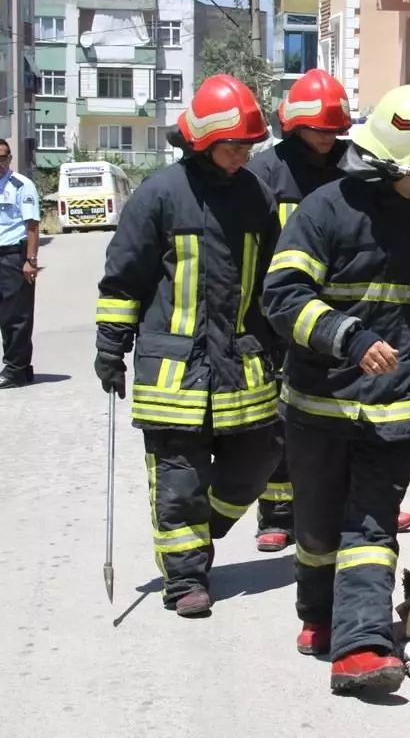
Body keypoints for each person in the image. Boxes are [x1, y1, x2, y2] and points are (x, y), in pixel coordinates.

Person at [262, 84, 410, 694]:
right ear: (398, 159)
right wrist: (347, 336)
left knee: (370, 527)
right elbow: (281, 297)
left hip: (395, 406)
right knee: (318, 527)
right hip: (319, 405)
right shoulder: (322, 211)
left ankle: (361, 645)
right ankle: (319, 617)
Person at [93, 74, 282, 617]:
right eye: (234, 145)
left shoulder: (256, 196)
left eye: (249, 145)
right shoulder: (160, 195)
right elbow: (123, 278)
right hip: (173, 370)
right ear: (202, 140)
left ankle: (203, 533)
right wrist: (111, 345)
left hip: (240, 364)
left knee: (260, 456)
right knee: (178, 480)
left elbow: (273, 281)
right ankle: (186, 580)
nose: (243, 154)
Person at [245, 70, 410, 553]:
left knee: (355, 416)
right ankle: (278, 513)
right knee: (286, 420)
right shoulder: (265, 174)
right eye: (317, 130)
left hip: (347, 317)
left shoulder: (352, 167)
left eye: (333, 130)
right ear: (294, 126)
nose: (326, 139)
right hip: (284, 311)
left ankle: (363, 504)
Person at [0, 140, 41, 389]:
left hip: (13, 258)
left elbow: (33, 226)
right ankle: (22, 368)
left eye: (2, 157)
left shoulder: (21, 185)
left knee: (16, 317)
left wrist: (30, 261)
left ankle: (15, 370)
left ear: (10, 158)